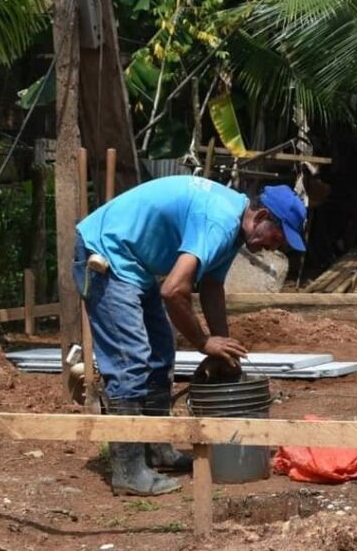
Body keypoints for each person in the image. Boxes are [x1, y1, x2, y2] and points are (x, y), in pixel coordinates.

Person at [74, 176, 306, 496]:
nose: (274, 247)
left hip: (134, 264)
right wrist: (203, 343)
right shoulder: (220, 222)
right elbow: (172, 290)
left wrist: (223, 351)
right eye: (278, 237)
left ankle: (156, 448)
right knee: (132, 360)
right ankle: (128, 470)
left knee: (160, 352)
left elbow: (211, 286)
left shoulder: (233, 231)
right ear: (263, 216)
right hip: (106, 254)